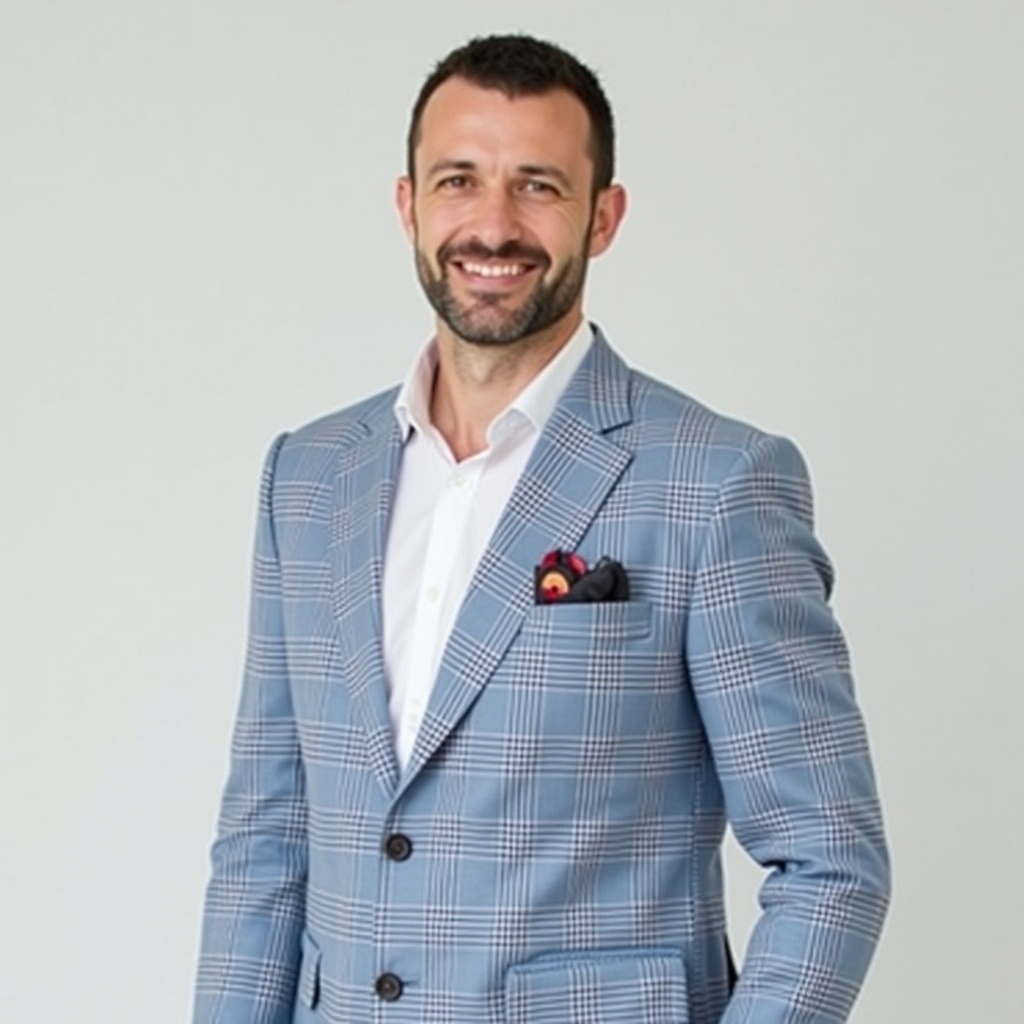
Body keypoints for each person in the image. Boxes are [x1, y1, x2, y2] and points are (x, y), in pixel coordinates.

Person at [193, 34, 890, 1024]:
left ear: (602, 217)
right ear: (408, 205)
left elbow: (832, 862)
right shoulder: (306, 478)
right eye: (458, 180)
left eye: (538, 187)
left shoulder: (716, 482)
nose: (492, 223)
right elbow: (263, 838)